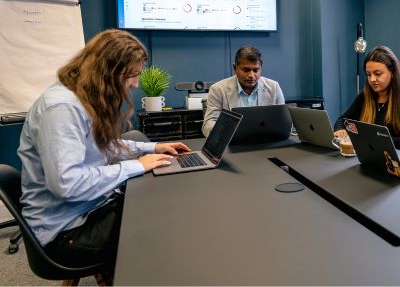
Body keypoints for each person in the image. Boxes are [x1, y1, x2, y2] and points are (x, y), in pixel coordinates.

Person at [17, 29, 190, 279]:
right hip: (66, 234)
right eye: (132, 75)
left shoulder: (80, 97)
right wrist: (136, 166)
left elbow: (102, 145)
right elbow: (68, 184)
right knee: (166, 229)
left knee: (161, 206)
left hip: (86, 210)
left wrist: (152, 148)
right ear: (109, 71)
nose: (135, 84)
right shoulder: (62, 108)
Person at [334, 46, 400, 152]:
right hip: (368, 155)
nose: (372, 79)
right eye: (368, 74)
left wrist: (375, 140)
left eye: (378, 74)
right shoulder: (364, 97)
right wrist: (340, 130)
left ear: (392, 72)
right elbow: (342, 120)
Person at [202, 46, 285, 136]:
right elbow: (209, 123)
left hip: (265, 141)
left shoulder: (274, 87)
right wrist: (221, 134)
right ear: (235, 68)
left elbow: (283, 120)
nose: (251, 75)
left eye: (256, 70)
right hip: (231, 144)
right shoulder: (218, 89)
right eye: (246, 70)